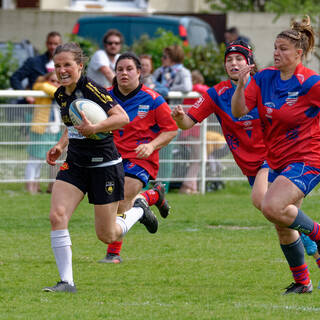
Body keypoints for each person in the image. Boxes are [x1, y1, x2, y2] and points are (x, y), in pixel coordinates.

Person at [172, 38, 320, 293]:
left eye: (239, 58)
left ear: (249, 62)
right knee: (282, 224)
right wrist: (179, 117)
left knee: (264, 202)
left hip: (274, 159)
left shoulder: (268, 82)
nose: (234, 63)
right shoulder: (218, 93)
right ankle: (303, 280)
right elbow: (188, 123)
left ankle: (313, 239)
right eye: (229, 59)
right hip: (255, 166)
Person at [43, 43, 158, 293]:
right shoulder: (60, 94)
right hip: (75, 163)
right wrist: (61, 146)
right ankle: (67, 282)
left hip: (104, 165)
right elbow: (73, 124)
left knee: (108, 235)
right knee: (57, 216)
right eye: (58, 65)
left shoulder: (91, 89)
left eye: (67, 65)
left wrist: (95, 128)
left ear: (80, 67)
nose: (62, 70)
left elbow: (122, 118)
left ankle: (139, 208)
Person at [231, 16, 320, 294]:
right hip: (279, 160)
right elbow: (238, 112)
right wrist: (241, 85)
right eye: (275, 47)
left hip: (308, 158)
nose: (276, 53)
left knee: (271, 206)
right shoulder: (265, 78)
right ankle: (302, 282)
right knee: (280, 220)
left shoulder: (310, 83)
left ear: (299, 54)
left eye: (282, 49)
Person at [99, 52, 178, 263]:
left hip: (141, 158)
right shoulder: (104, 97)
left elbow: (171, 129)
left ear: (139, 72)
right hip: (110, 157)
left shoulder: (153, 99)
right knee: (108, 203)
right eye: (120, 69)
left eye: (129, 69)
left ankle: (113, 254)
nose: (124, 73)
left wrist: (151, 146)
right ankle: (152, 196)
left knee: (121, 199)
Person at [25, 72, 61, 194]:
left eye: (58, 81)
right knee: (35, 159)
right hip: (40, 129)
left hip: (54, 131)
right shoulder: (41, 87)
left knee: (43, 160)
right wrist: (59, 89)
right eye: (52, 80)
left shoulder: (58, 93)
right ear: (47, 80)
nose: (55, 83)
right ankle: (30, 186)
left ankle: (37, 186)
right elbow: (42, 86)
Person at [10, 31, 62, 103]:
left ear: (60, 45)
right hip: (36, 105)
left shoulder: (64, 64)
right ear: (46, 44)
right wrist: (26, 94)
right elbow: (15, 78)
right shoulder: (33, 62)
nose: (53, 47)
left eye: (56, 44)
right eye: (50, 43)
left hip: (58, 105)